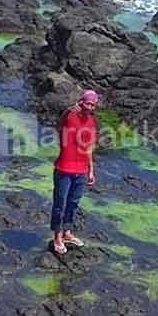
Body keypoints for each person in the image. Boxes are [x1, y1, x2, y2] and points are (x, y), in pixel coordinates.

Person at [51, 89, 100, 254]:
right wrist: (68, 110)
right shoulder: (70, 115)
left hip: (81, 170)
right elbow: (58, 124)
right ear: (81, 102)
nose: (90, 107)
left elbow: (89, 148)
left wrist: (91, 170)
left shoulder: (92, 122)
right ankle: (57, 236)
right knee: (60, 204)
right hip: (64, 168)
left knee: (73, 203)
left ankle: (67, 233)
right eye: (88, 103)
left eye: (93, 105)